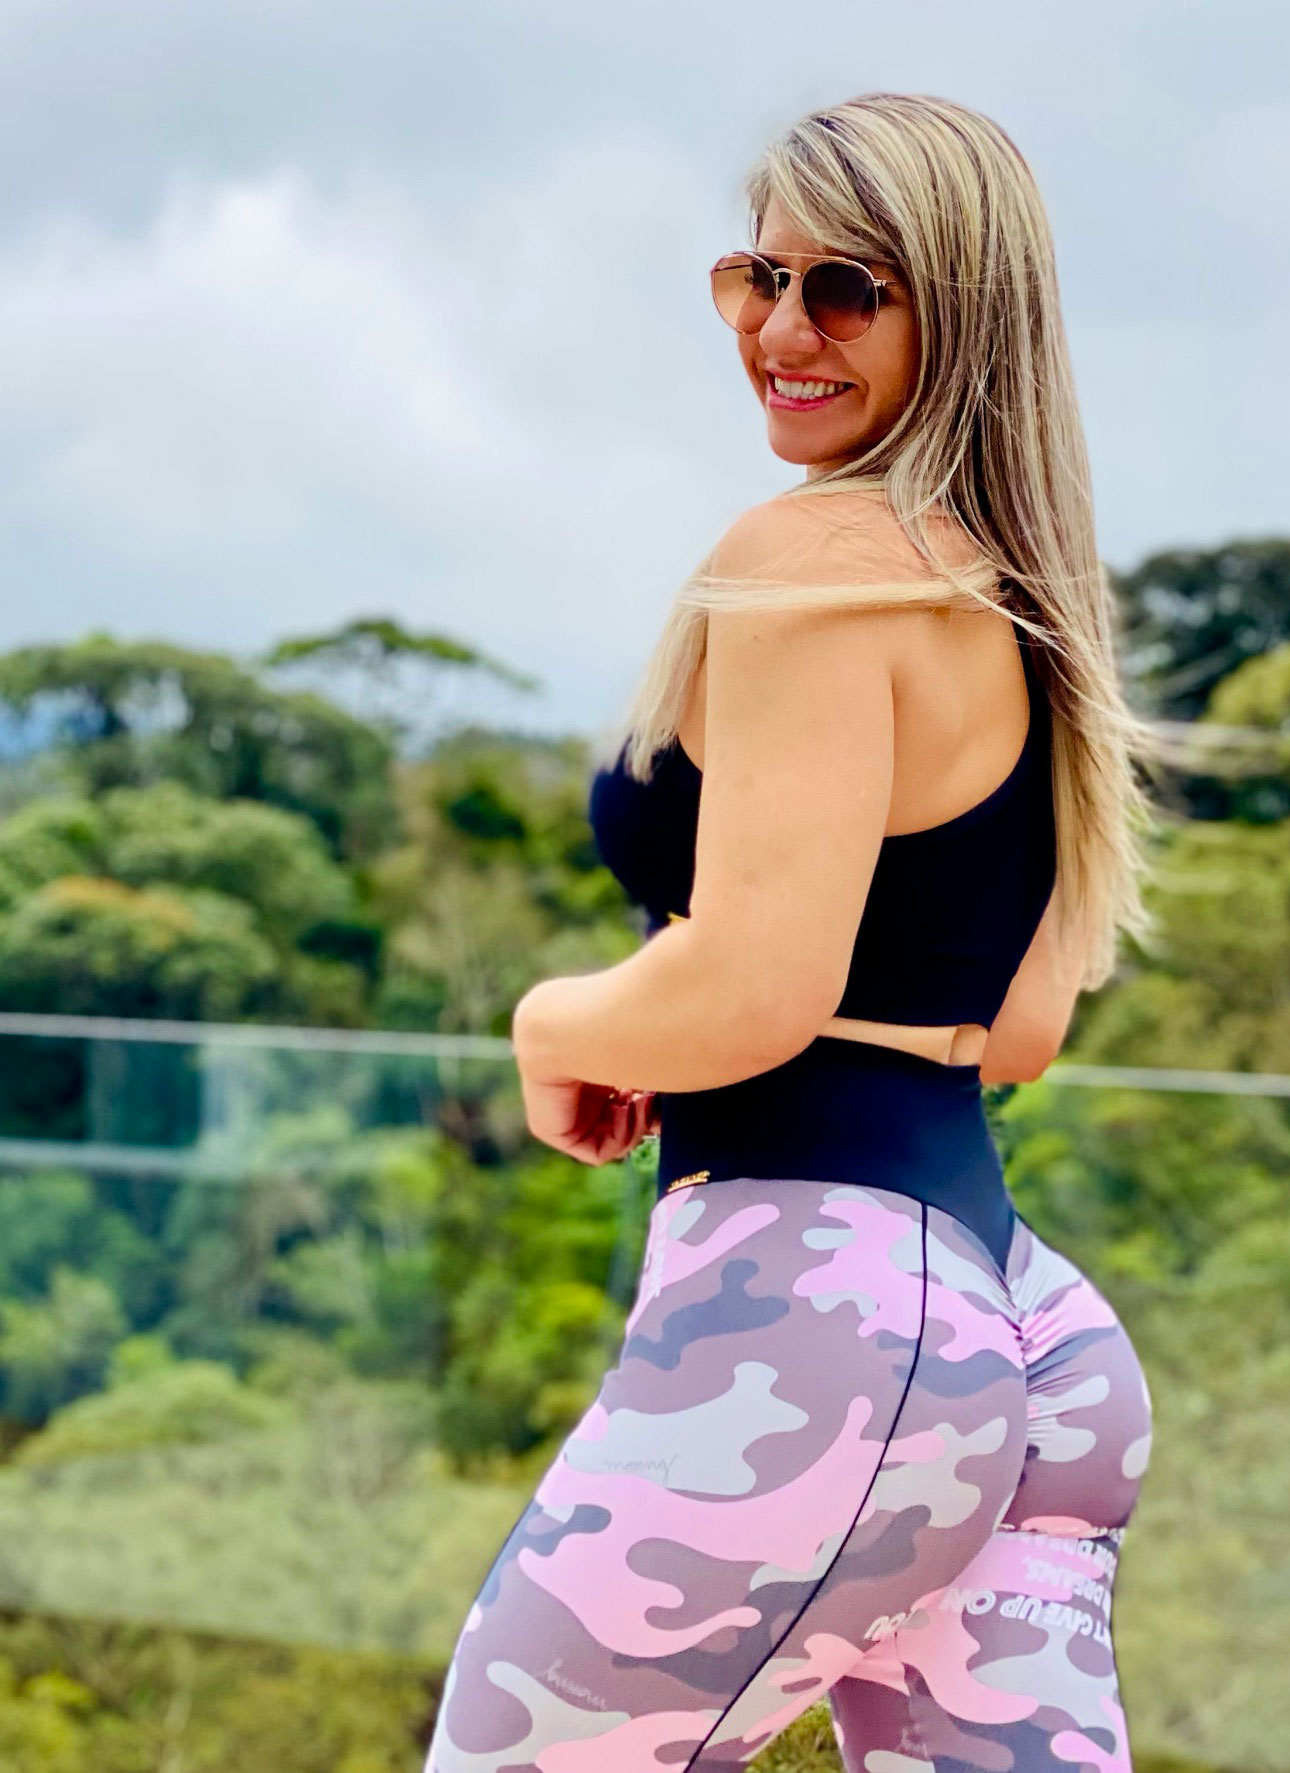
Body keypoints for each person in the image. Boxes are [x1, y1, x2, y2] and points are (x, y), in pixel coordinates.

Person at [425, 91, 1163, 1773]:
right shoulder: (1018, 597)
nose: (779, 329)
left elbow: (757, 988)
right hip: (1016, 1327)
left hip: (819, 1328)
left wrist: (556, 1024)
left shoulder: (814, 562)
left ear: (959, 312)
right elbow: (1013, 1029)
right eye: (756, 277)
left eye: (846, 289)